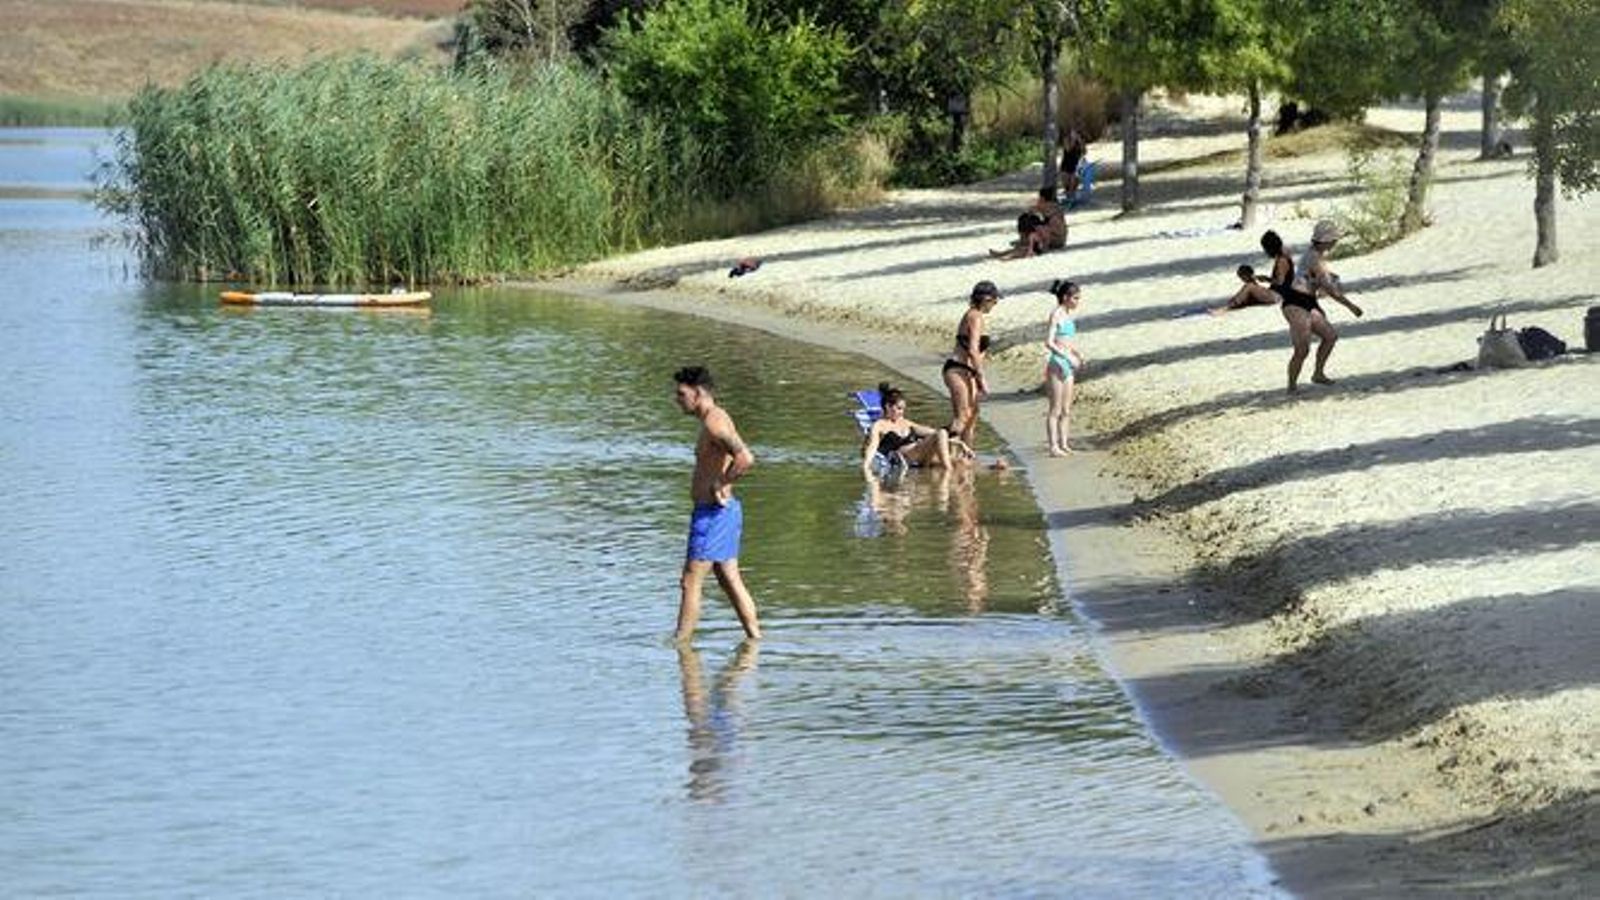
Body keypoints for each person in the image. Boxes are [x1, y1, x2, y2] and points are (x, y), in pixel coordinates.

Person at [672, 366, 761, 642]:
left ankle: (681, 646)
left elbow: (745, 457)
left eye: (681, 394)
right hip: (720, 513)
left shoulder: (715, 423)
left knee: (690, 581)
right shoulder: (713, 418)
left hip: (713, 515)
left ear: (697, 393)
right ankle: (755, 640)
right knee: (728, 579)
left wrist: (723, 481)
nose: (677, 400)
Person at [1284, 220, 1364, 392]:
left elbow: (1316, 280)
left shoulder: (1316, 254)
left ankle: (1318, 374)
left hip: (1308, 302)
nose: (1336, 242)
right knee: (1302, 350)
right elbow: (1330, 289)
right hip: (1296, 302)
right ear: (1326, 240)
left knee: (1330, 336)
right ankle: (1291, 386)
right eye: (1334, 239)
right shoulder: (1315, 258)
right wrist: (1351, 306)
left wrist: (1328, 281)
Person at [944, 281, 1000, 449]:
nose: (995, 305)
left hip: (968, 371)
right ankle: (940, 445)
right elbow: (973, 351)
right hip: (958, 369)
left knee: (972, 415)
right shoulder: (975, 316)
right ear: (986, 299)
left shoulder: (975, 315)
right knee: (963, 417)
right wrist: (982, 377)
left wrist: (975, 375)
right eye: (994, 301)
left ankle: (965, 454)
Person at [861, 382, 961, 473]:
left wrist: (960, 444)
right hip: (906, 456)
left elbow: (934, 433)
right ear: (888, 406)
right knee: (942, 434)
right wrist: (866, 467)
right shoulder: (879, 425)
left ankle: (949, 474)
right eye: (899, 408)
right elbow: (872, 446)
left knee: (961, 461)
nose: (902, 412)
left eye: (903, 409)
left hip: (920, 454)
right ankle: (948, 472)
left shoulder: (906, 423)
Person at [1043, 279, 1087, 456]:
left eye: (1078, 298)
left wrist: (1076, 353)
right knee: (1055, 408)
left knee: (1066, 409)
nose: (1077, 301)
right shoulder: (1056, 314)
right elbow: (1049, 342)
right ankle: (1053, 446)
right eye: (1075, 298)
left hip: (1068, 362)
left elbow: (1066, 341)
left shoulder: (1068, 314)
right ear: (1065, 297)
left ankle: (1064, 443)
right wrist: (1066, 356)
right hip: (1057, 362)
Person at [990, 188, 1067, 260]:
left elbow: (1056, 231)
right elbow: (1031, 211)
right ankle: (1012, 249)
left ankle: (1013, 253)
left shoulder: (1051, 209)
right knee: (1026, 219)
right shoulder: (1050, 207)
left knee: (1029, 224)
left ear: (1043, 198)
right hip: (1053, 236)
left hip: (1055, 239)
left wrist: (1040, 231)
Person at [1059, 126, 1087, 194]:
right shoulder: (1066, 140)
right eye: (1073, 132)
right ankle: (1068, 192)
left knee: (1073, 185)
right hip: (1066, 165)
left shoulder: (1080, 141)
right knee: (1066, 186)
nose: (1075, 134)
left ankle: (1072, 193)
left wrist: (1080, 142)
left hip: (1075, 166)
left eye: (1076, 132)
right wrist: (1073, 140)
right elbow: (1068, 149)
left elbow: (1084, 152)